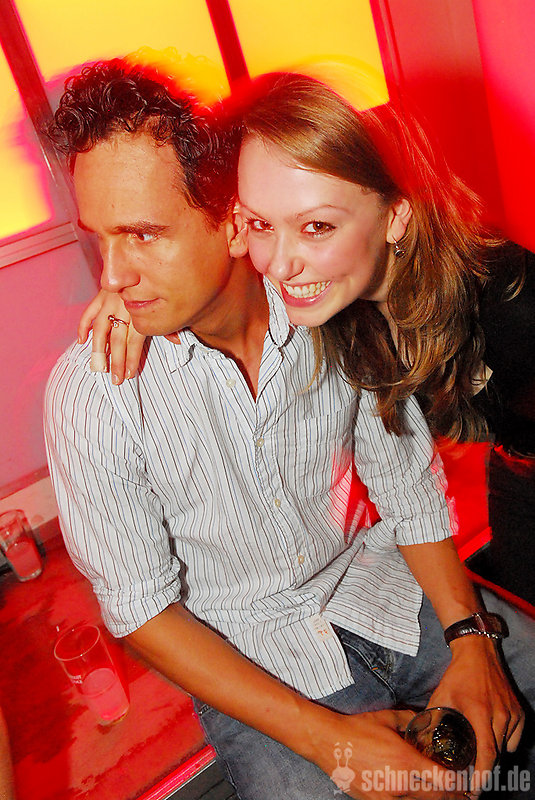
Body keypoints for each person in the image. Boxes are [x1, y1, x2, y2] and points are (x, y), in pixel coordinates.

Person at [44, 58, 534, 800]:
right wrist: (326, 740)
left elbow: (405, 482)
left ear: (234, 222)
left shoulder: (321, 301)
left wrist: (469, 639)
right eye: (100, 237)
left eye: (143, 233)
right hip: (249, 658)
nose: (111, 275)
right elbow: (140, 608)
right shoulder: (94, 393)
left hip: (382, 588)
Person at [90, 67, 535, 607]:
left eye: (317, 226)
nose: (280, 265)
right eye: (261, 224)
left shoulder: (509, 300)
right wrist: (136, 285)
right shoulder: (326, 300)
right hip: (511, 464)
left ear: (395, 215)